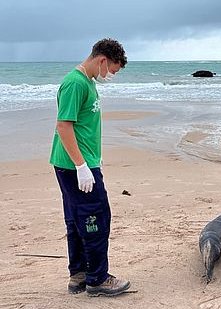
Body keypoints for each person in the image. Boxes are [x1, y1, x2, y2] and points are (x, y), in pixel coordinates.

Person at [49, 38, 130, 296]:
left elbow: (83, 126)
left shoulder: (88, 82)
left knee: (76, 220)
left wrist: (93, 158)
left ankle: (79, 274)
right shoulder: (75, 83)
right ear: (102, 60)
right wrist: (82, 165)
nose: (111, 76)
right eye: (113, 70)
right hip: (75, 166)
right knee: (96, 218)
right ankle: (97, 278)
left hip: (80, 162)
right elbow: (64, 125)